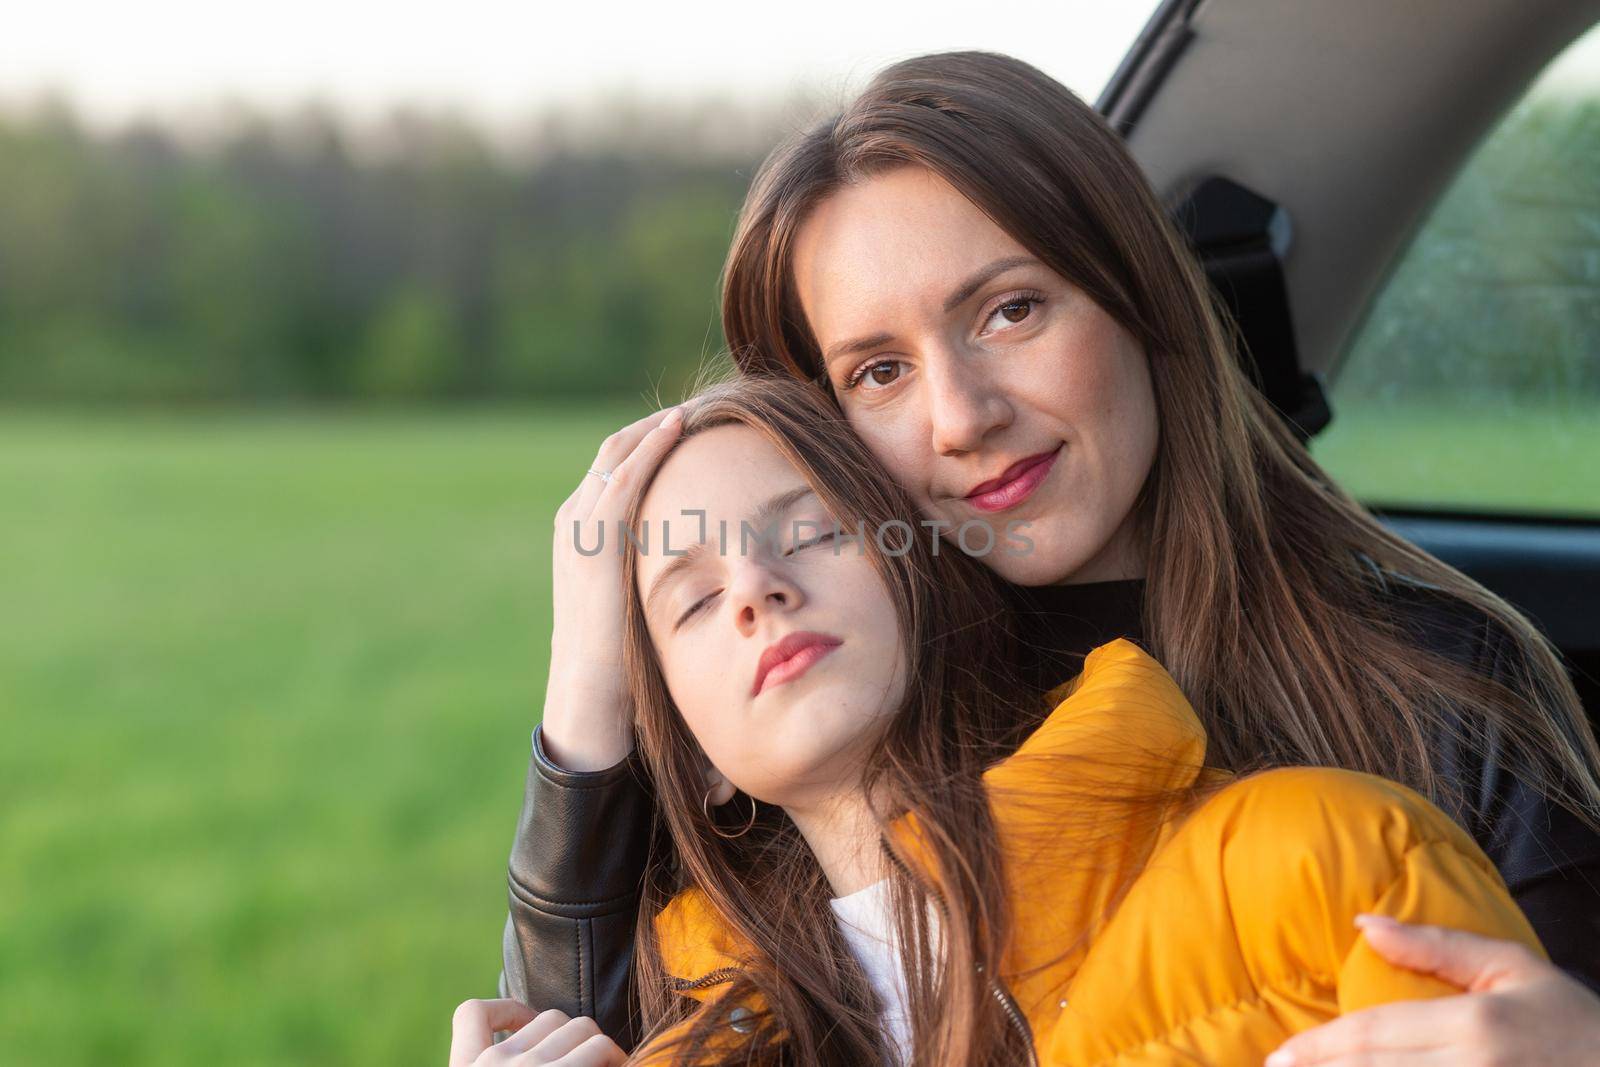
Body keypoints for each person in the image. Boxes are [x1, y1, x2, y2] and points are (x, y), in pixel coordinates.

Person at [498, 51, 1600, 1063]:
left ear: (1135, 293)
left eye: (1011, 309)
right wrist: (585, 696)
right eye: (878, 372)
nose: (961, 414)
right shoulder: (841, 718)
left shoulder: (1435, 685)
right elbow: (606, 1031)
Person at [456, 376, 1549, 1067]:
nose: (754, 589)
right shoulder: (666, 1043)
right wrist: (582, 684)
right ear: (690, 765)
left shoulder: (1326, 856)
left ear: (924, 579)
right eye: (691, 600)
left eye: (811, 533)